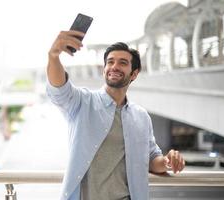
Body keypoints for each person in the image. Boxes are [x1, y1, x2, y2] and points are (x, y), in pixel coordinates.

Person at [46, 30, 185, 200]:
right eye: (110, 62)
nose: (114, 66)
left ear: (134, 74)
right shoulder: (82, 102)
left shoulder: (141, 117)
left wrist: (167, 161)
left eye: (123, 62)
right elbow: (59, 90)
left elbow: (150, 159)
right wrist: (53, 56)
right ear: (104, 69)